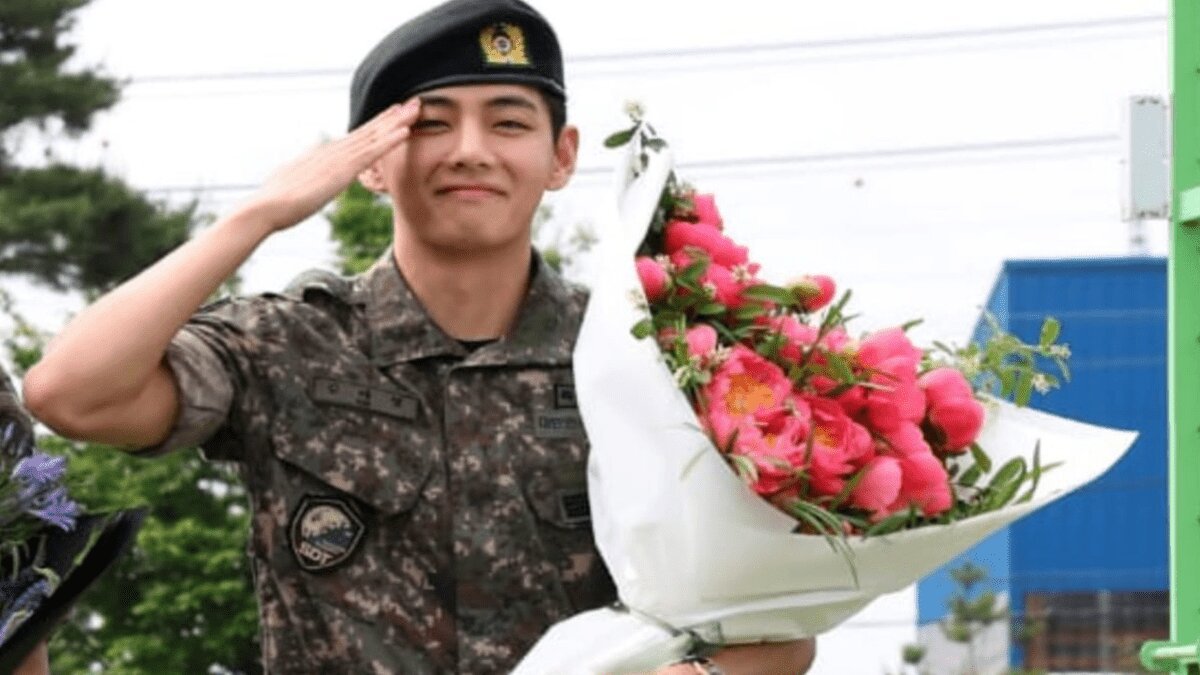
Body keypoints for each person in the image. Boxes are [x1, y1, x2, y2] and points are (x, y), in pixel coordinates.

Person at [22, 1, 816, 672]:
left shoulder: (644, 357)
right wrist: (259, 215)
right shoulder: (287, 343)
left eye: (509, 122)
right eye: (430, 124)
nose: (470, 150)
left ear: (561, 156)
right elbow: (69, 394)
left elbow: (783, 617)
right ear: (369, 162)